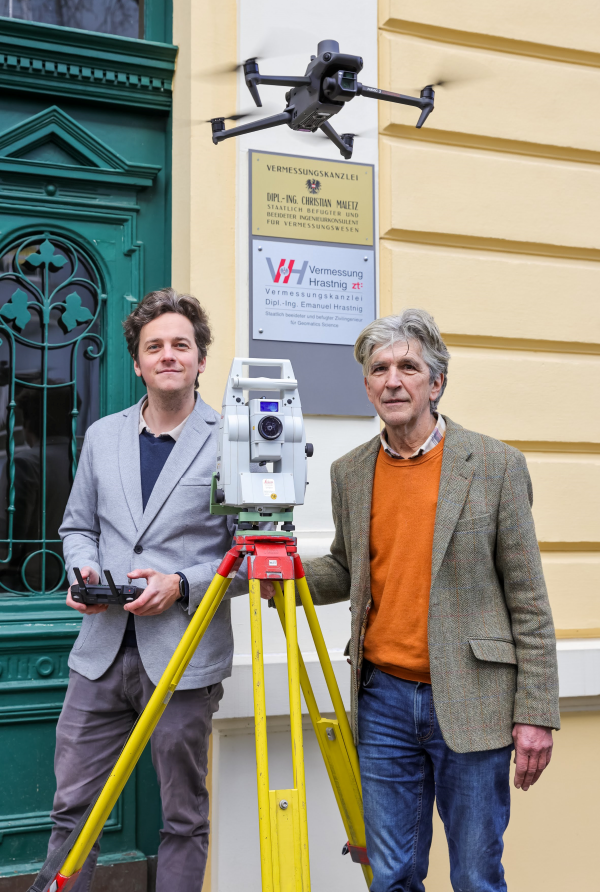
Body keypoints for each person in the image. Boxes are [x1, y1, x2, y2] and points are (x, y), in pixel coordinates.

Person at [265, 309, 560, 892]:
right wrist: (285, 576)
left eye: (408, 366)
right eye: (379, 369)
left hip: (473, 702)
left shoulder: (495, 465)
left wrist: (536, 714)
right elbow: (350, 570)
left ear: (436, 382)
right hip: (383, 703)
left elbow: (528, 600)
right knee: (392, 874)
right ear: (367, 384)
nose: (392, 380)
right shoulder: (350, 472)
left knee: (477, 875)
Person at [49, 288, 259, 892]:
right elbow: (76, 528)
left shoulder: (235, 440)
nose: (168, 355)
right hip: (100, 654)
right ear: (137, 363)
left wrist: (185, 584)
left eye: (181, 345)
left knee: (184, 817)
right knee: (73, 812)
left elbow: (251, 554)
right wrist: (81, 570)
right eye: (154, 347)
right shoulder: (101, 437)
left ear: (199, 359)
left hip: (185, 658)